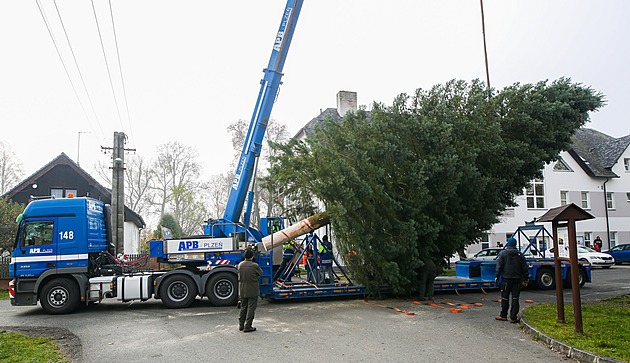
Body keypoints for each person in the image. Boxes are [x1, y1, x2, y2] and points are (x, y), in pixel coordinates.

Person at [495, 237, 529, 323]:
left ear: (508, 244)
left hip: (506, 279)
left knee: (505, 298)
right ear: (515, 244)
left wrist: (497, 277)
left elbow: (499, 267)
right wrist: (526, 279)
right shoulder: (520, 255)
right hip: (517, 280)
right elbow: (524, 268)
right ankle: (513, 317)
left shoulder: (503, 254)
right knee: (515, 298)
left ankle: (503, 315)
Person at [238, 249, 263, 333]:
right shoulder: (254, 265)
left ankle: (241, 324)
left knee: (243, 307)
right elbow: (261, 273)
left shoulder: (240, 265)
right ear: (252, 257)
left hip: (242, 289)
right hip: (252, 289)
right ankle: (248, 326)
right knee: (251, 308)